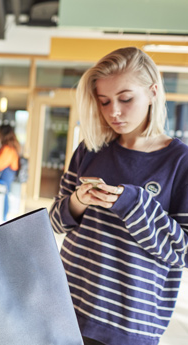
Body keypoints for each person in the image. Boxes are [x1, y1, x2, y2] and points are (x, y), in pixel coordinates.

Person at [49, 46, 188, 345]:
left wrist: (132, 202)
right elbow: (54, 223)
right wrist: (78, 202)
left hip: (128, 326)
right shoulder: (90, 149)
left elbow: (183, 252)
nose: (114, 111)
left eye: (126, 99)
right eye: (104, 101)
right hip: (65, 306)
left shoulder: (180, 162)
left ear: (153, 92)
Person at [0, 124, 19, 221]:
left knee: (4, 194)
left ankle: (3, 218)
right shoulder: (11, 147)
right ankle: (3, 217)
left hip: (5, 176)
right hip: (8, 175)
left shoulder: (8, 148)